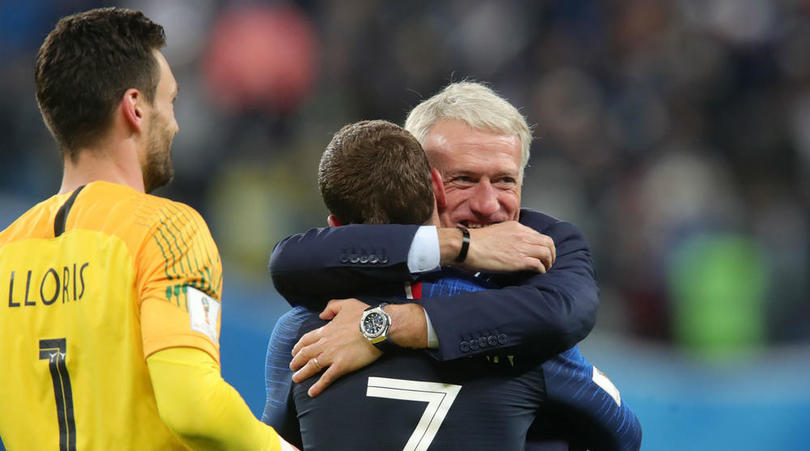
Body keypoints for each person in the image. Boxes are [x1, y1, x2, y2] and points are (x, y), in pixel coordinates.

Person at [0, 8, 296, 450]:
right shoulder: (168, 230)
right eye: (171, 102)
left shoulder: (7, 249)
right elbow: (194, 407)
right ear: (135, 107)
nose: (175, 124)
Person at [263, 120, 641, 450]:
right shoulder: (521, 336)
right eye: (464, 179)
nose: (486, 204)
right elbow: (624, 431)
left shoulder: (301, 333)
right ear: (434, 188)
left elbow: (277, 442)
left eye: (504, 181)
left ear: (335, 227)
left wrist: (381, 328)